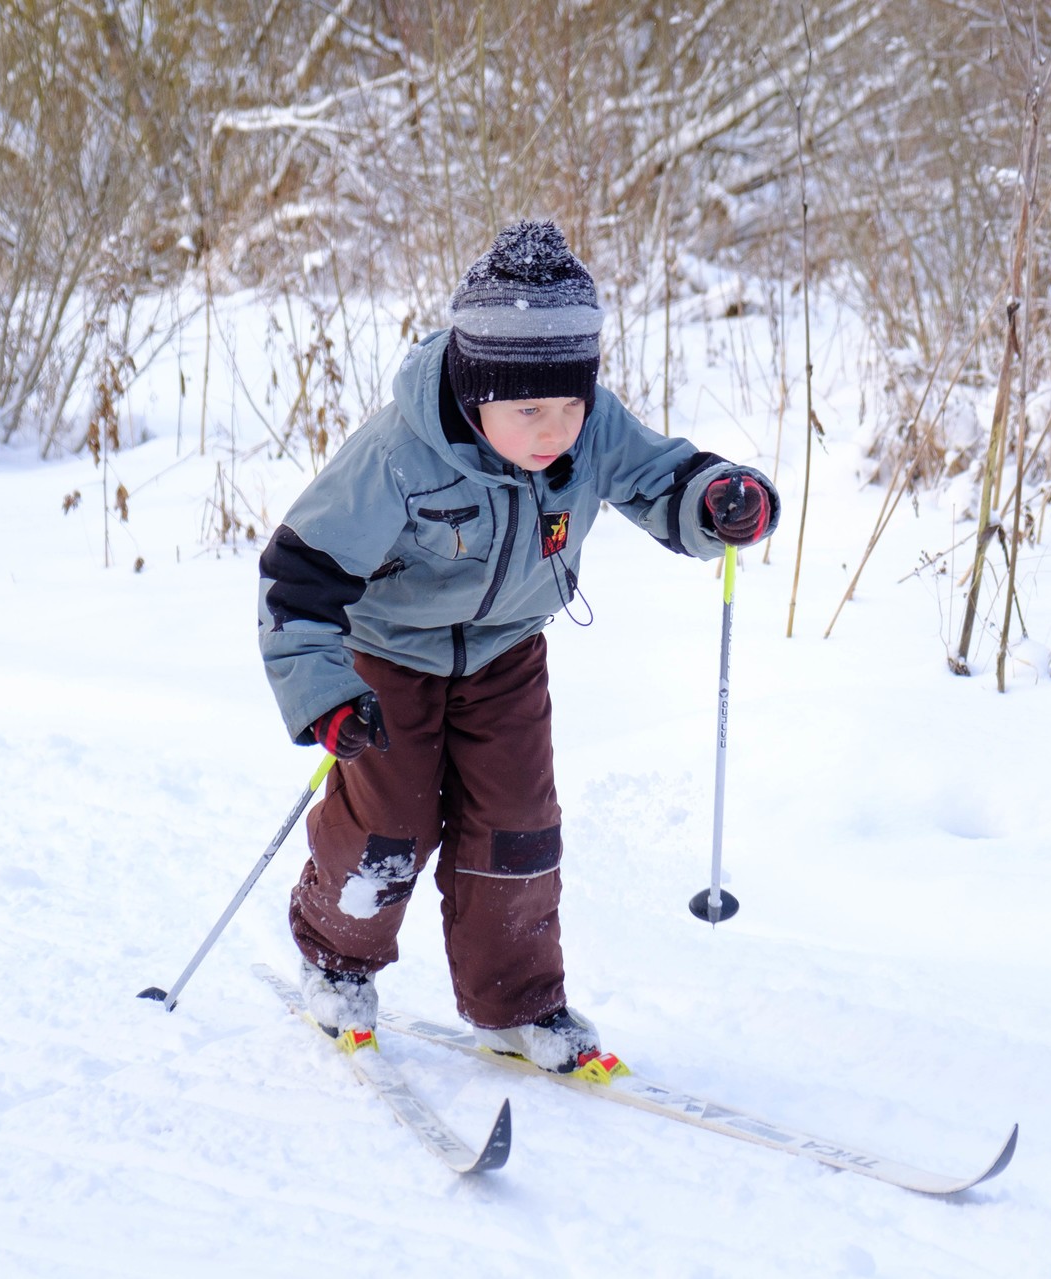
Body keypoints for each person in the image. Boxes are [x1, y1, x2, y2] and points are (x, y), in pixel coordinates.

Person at [256, 219, 778, 1072]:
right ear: (474, 392)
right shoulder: (396, 454)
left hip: (505, 658)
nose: (554, 430)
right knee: (389, 829)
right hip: (389, 659)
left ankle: (518, 1003)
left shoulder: (589, 430)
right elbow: (299, 576)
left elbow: (663, 477)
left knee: (518, 830)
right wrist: (324, 696)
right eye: (529, 409)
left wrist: (719, 495)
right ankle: (337, 962)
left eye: (570, 404)